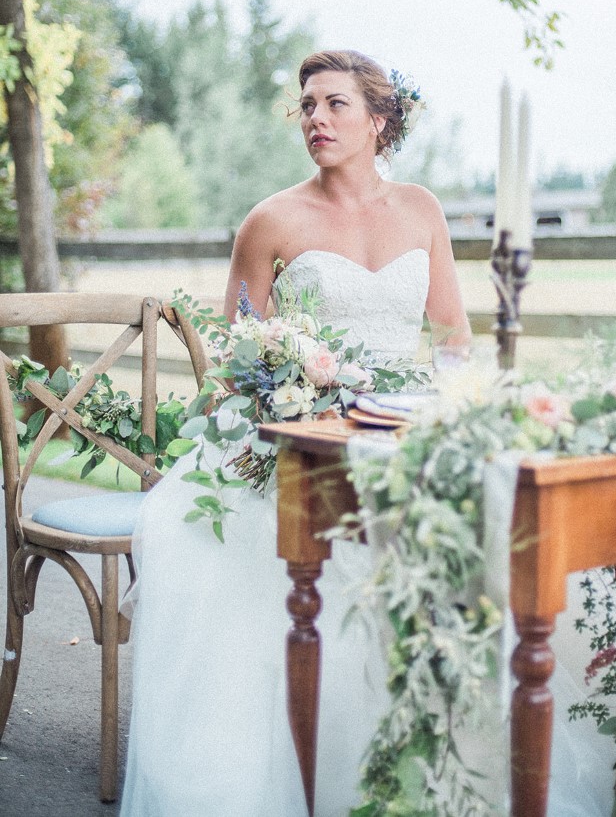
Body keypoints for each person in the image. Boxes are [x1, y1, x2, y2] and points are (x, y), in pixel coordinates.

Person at [120, 49, 470, 817]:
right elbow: (235, 361)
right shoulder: (271, 220)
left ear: (379, 121)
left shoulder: (423, 211)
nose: (315, 117)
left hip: (397, 432)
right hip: (292, 437)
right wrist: (277, 395)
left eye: (335, 104)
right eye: (307, 105)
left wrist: (452, 412)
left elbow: (452, 343)